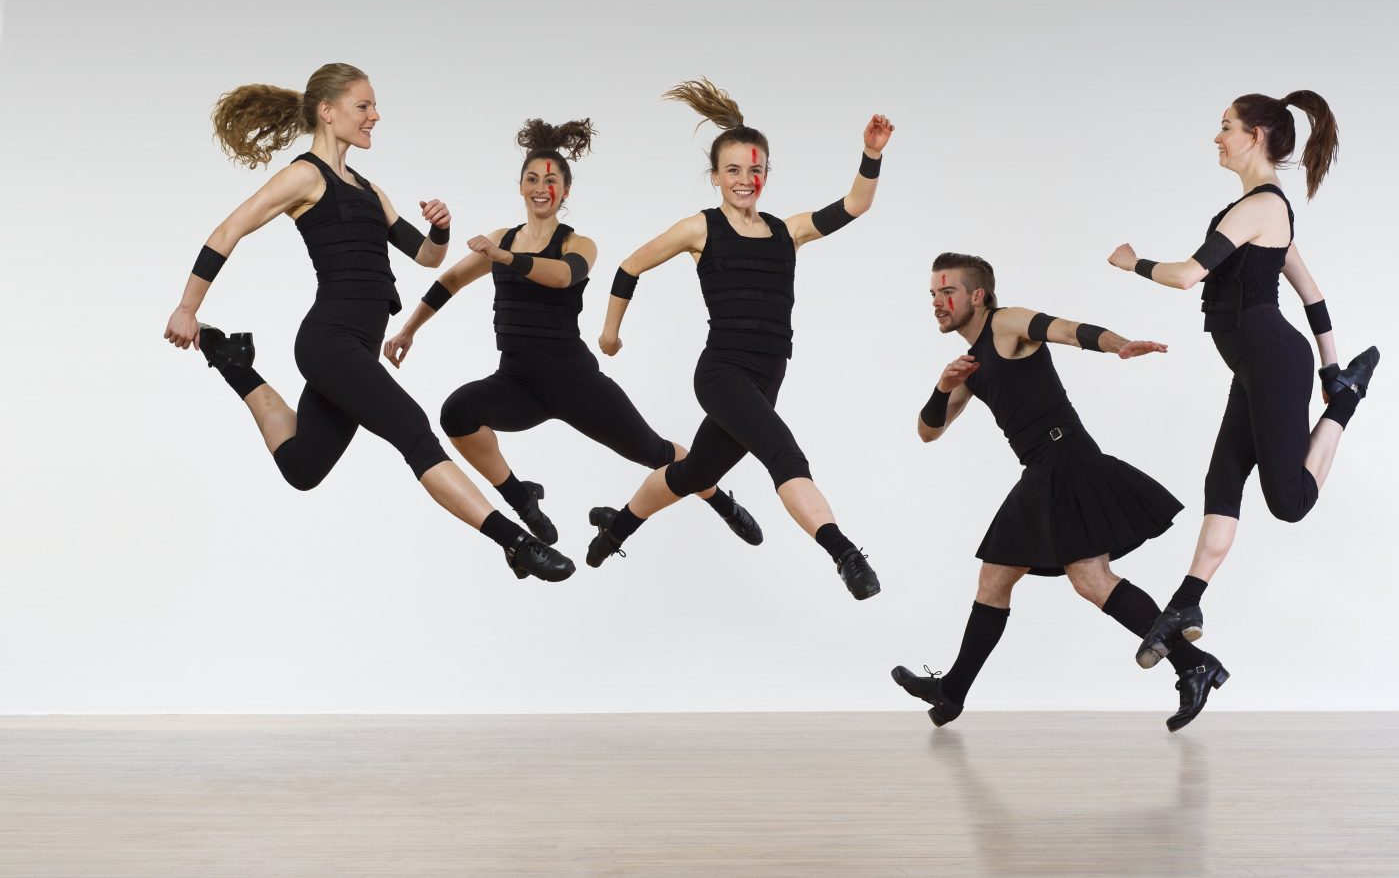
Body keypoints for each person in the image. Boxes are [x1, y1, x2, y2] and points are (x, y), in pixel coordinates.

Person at [162, 63, 574, 582]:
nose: (375, 116)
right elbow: (229, 229)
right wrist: (187, 307)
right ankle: (515, 541)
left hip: (355, 342)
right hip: (329, 342)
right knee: (414, 432)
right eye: (364, 106)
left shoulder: (368, 189)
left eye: (374, 107)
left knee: (303, 468)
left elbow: (425, 257)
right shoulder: (304, 175)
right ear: (327, 111)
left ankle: (235, 366)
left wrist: (439, 229)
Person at [382, 118, 761, 575]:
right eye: (533, 179)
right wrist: (408, 330)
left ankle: (720, 500)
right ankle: (522, 498)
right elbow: (450, 281)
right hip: (516, 383)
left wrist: (504, 258)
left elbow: (563, 276)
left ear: (565, 191)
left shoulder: (578, 244)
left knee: (657, 453)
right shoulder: (502, 237)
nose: (541, 188)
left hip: (576, 383)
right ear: (521, 186)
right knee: (456, 414)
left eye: (552, 181)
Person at [891, 253, 1228, 732]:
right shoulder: (970, 364)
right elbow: (928, 432)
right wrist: (944, 386)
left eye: (948, 292)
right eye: (933, 295)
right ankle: (951, 693)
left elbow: (1067, 329)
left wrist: (1119, 345)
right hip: (1041, 472)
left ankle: (1192, 664)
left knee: (1091, 581)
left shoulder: (1005, 323)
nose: (938, 303)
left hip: (1068, 462)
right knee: (995, 580)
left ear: (978, 296)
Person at [591, 79, 892, 600]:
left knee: (691, 473)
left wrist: (869, 154)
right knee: (783, 453)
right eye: (733, 170)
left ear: (766, 173)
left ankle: (616, 528)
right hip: (721, 373)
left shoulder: (788, 231)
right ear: (714, 176)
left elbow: (856, 205)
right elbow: (628, 266)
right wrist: (610, 333)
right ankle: (845, 553)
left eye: (755, 169)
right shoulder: (700, 229)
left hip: (766, 377)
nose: (745, 179)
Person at [1107, 90, 1378, 663]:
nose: (1217, 136)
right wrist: (1330, 365)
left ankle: (1347, 405)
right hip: (1255, 366)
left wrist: (1133, 263)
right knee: (1222, 484)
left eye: (1226, 126)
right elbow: (1313, 294)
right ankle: (1186, 602)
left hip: (1274, 362)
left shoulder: (1264, 207)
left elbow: (1186, 276)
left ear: (1255, 136)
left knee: (1289, 503)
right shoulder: (1262, 209)